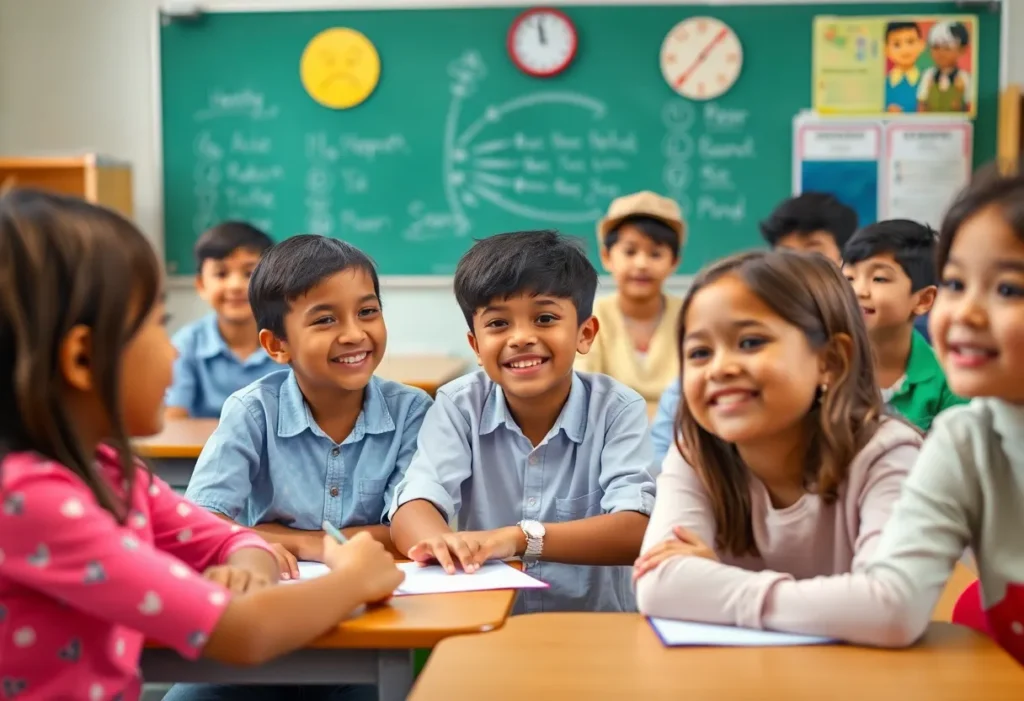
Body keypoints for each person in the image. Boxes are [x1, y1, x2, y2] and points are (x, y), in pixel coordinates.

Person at [0, 190, 403, 700]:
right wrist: (352, 579)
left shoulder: (113, 471)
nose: (173, 349)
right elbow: (245, 633)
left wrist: (249, 567)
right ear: (83, 359)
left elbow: (225, 536)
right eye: (156, 325)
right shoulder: (30, 501)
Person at [676, 168, 1024, 666]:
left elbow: (889, 606)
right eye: (955, 283)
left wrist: (717, 589)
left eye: (1008, 290)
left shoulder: (898, 441)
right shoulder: (963, 439)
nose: (964, 312)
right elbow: (894, 600)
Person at [633, 249, 921, 628]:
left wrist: (716, 583)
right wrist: (845, 601)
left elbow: (891, 606)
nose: (720, 368)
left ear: (830, 362)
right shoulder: (695, 454)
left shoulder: (886, 453)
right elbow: (658, 585)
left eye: (750, 342)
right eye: (700, 352)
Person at [389, 230, 657, 614]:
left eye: (545, 318)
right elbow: (415, 502)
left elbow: (637, 529)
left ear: (585, 333)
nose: (521, 338)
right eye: (498, 324)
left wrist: (518, 538)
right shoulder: (459, 404)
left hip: (594, 630)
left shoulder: (617, 409)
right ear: (476, 346)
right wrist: (440, 543)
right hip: (489, 627)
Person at [842, 220, 965, 430]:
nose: (858, 291)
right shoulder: (825, 364)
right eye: (849, 278)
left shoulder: (949, 380)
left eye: (879, 279)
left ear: (923, 300)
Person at [576, 191, 685, 402]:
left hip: (680, 433)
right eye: (630, 251)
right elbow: (582, 390)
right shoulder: (588, 317)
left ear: (674, 262)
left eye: (655, 254)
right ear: (606, 257)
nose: (642, 264)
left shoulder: (691, 317)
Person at [165, 221, 277, 419]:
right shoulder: (186, 344)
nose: (235, 285)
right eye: (221, 273)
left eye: (249, 273)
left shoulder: (290, 342)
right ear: (201, 285)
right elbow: (174, 418)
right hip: (203, 449)